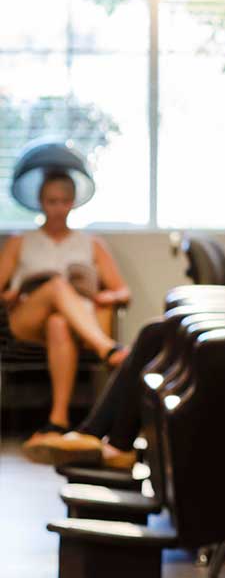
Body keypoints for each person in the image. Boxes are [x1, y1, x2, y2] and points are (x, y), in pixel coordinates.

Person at [9, 170, 132, 466]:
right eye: (51, 201)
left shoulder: (91, 243)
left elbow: (121, 290)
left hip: (73, 324)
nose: (58, 208)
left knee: (58, 322)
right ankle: (109, 350)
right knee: (56, 287)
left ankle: (58, 423)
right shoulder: (20, 242)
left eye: (64, 201)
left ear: (73, 203)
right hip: (28, 316)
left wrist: (106, 297)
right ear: (40, 202)